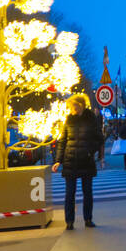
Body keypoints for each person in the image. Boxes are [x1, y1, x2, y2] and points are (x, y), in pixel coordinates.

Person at [53, 93, 104, 229]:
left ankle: (88, 219)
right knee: (70, 193)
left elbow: (99, 139)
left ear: (80, 105)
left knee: (87, 192)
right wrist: (58, 160)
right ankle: (69, 221)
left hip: (86, 160)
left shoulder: (91, 119)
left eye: (73, 105)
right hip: (70, 160)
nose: (71, 108)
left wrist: (90, 151)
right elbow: (62, 141)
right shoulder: (69, 119)